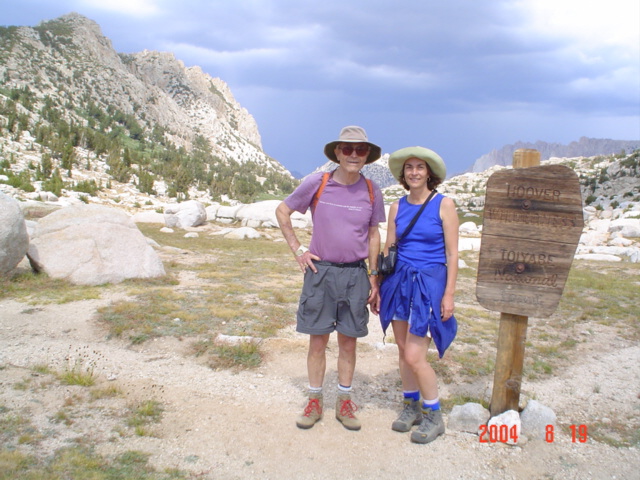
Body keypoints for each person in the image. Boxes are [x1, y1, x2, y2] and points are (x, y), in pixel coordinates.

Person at [276, 126, 385, 431]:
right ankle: (314, 400)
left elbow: (374, 234)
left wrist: (374, 277)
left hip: (355, 274)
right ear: (337, 152)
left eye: (360, 150)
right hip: (320, 271)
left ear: (367, 156)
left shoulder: (372, 190)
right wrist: (298, 250)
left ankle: (345, 402)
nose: (353, 155)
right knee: (317, 341)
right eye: (347, 149)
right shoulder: (318, 182)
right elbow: (283, 211)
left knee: (349, 343)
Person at [378, 146, 459, 444]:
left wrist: (448, 294)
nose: (413, 172)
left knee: (415, 355)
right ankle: (410, 406)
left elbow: (452, 253)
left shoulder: (444, 204)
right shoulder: (397, 206)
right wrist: (378, 285)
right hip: (399, 283)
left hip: (429, 284)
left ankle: (434, 415)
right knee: (402, 349)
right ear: (404, 174)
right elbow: (389, 249)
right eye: (409, 168)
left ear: (429, 174)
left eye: (419, 167)